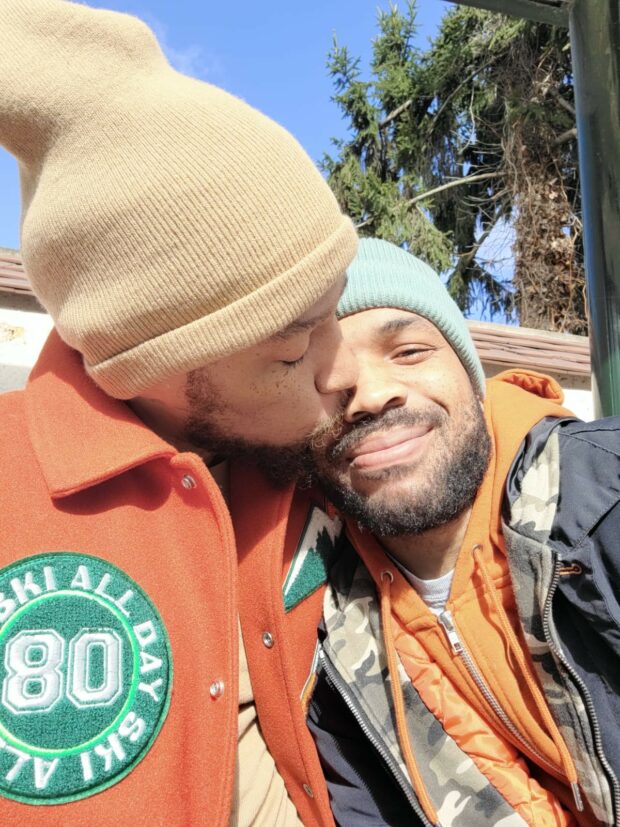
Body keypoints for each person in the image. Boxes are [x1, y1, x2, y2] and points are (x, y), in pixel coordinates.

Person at [0, 1, 358, 824]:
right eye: (294, 346)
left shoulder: (317, 470)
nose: (346, 374)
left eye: (335, 308)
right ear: (153, 366)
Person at [305, 238, 620, 827]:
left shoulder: (605, 491)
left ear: (471, 375)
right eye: (328, 381)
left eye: (408, 351)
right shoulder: (324, 630)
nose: (371, 395)